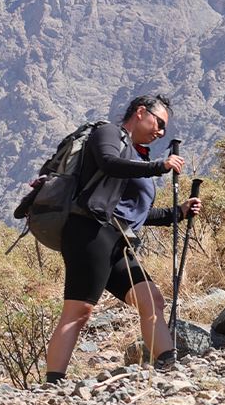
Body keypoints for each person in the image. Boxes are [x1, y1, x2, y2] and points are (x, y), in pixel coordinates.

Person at [43, 96, 202, 381]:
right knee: (79, 310)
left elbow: (133, 214)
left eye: (165, 128)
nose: (161, 132)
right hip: (89, 230)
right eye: (159, 123)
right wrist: (159, 166)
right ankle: (53, 383)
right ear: (141, 112)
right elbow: (108, 163)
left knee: (151, 299)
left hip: (117, 240)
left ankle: (168, 367)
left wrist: (177, 212)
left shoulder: (136, 155)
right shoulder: (108, 133)